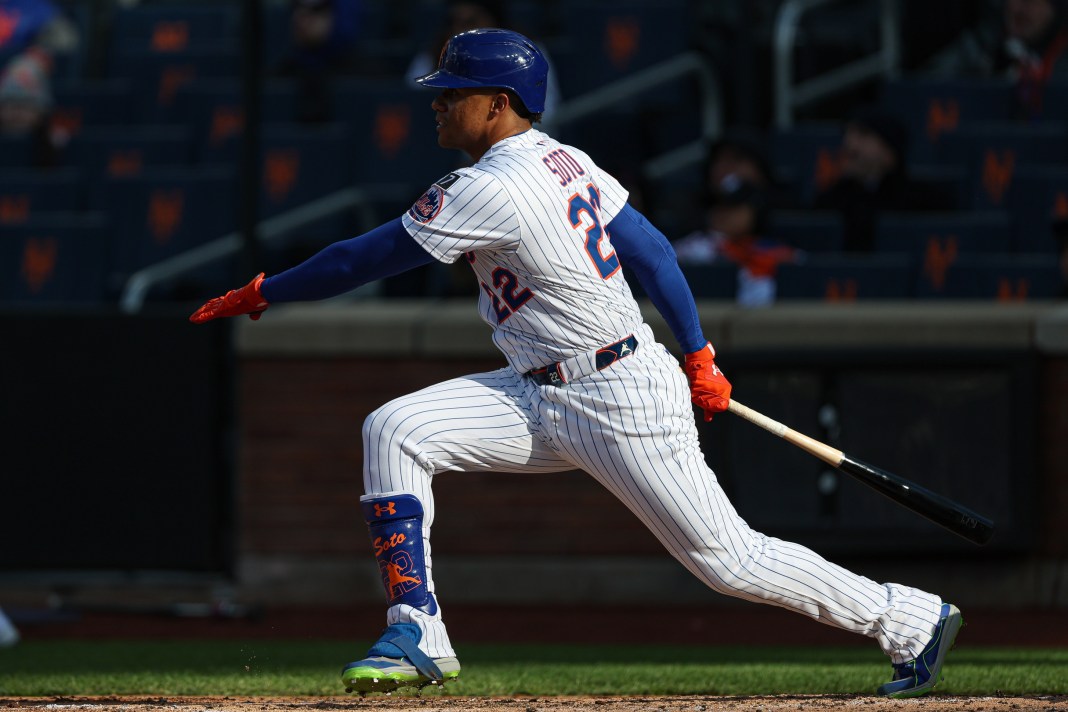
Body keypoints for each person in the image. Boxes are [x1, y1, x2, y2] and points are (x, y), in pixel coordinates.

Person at [190, 28, 962, 699]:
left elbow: (367, 257)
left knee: (730, 562)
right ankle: (418, 631)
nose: (437, 102)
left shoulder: (487, 185)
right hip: (538, 389)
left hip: (616, 394)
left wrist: (267, 289)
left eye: (454, 92)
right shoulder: (565, 159)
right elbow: (652, 251)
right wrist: (697, 352)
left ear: (497, 104)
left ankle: (909, 617)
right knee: (395, 428)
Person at [812, 105, 955, 253]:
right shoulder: (829, 202)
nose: (849, 144)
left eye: (863, 135)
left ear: (890, 151)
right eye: (847, 134)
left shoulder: (928, 201)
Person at [924, 0, 1068, 120]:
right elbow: (926, 85)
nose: (1020, 9)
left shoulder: (1062, 52)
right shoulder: (984, 44)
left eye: (1032, 1)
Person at [673, 172, 800, 307]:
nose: (725, 213)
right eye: (719, 205)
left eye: (735, 206)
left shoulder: (774, 250)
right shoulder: (695, 246)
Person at [272, 0, 363, 123]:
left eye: (316, 9)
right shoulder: (278, 77)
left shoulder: (365, 77)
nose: (301, 16)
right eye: (296, 7)